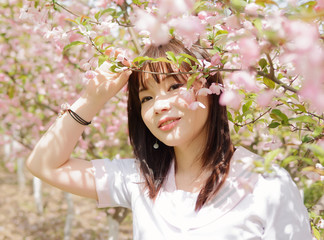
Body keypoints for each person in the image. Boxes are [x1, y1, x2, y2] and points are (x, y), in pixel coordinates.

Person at [26, 38, 312, 239]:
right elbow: (45, 165)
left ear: (212, 90)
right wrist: (91, 99)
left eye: (175, 86)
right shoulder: (142, 180)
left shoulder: (266, 183)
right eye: (146, 97)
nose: (159, 105)